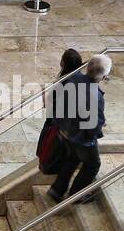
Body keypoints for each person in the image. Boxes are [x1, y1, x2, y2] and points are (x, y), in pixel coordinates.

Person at [48, 54, 112, 202]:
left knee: (72, 158)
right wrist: (97, 130)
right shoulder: (95, 95)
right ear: (103, 77)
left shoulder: (72, 79)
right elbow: (95, 124)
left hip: (64, 130)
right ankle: (77, 195)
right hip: (81, 138)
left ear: (88, 67)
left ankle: (57, 190)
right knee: (92, 165)